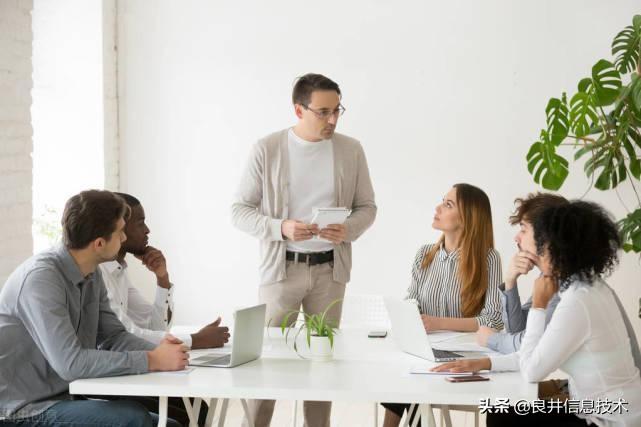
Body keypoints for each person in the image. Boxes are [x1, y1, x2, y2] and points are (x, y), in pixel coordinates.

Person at [231, 73, 377, 427]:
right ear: (299, 109)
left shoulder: (350, 149)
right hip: (281, 270)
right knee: (263, 361)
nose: (332, 120)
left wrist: (348, 230)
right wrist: (281, 228)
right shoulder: (267, 149)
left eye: (337, 110)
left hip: (331, 271)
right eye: (323, 112)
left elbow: (367, 207)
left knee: (322, 365)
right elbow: (240, 211)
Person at [433, 200, 641, 427]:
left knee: (504, 412)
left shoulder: (577, 300)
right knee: (502, 408)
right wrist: (484, 363)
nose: (517, 238)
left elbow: (532, 369)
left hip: (609, 416)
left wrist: (539, 305)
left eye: (523, 230)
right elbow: (536, 352)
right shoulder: (581, 285)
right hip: (597, 406)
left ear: (548, 241)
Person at [0, 190, 186, 427]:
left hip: (62, 396)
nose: (124, 239)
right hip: (22, 408)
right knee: (133, 418)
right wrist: (151, 360)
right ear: (99, 244)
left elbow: (113, 337)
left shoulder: (91, 273)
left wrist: (168, 351)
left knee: (171, 424)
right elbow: (70, 364)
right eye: (120, 232)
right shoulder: (40, 280)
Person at [97, 192, 229, 425]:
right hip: (109, 378)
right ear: (121, 229)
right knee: (185, 416)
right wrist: (196, 340)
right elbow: (125, 335)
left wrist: (162, 279)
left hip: (130, 370)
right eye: (140, 223)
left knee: (199, 410)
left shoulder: (118, 270)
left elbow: (155, 325)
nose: (147, 230)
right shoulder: (100, 273)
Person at [382, 183, 503, 427]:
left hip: (465, 355)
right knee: (403, 377)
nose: (438, 208)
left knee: (409, 382)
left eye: (448, 204)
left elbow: (493, 320)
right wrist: (410, 314)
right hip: (426, 350)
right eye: (442, 201)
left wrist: (438, 322)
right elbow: (412, 299)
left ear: (468, 217)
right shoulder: (425, 254)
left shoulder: (488, 259)